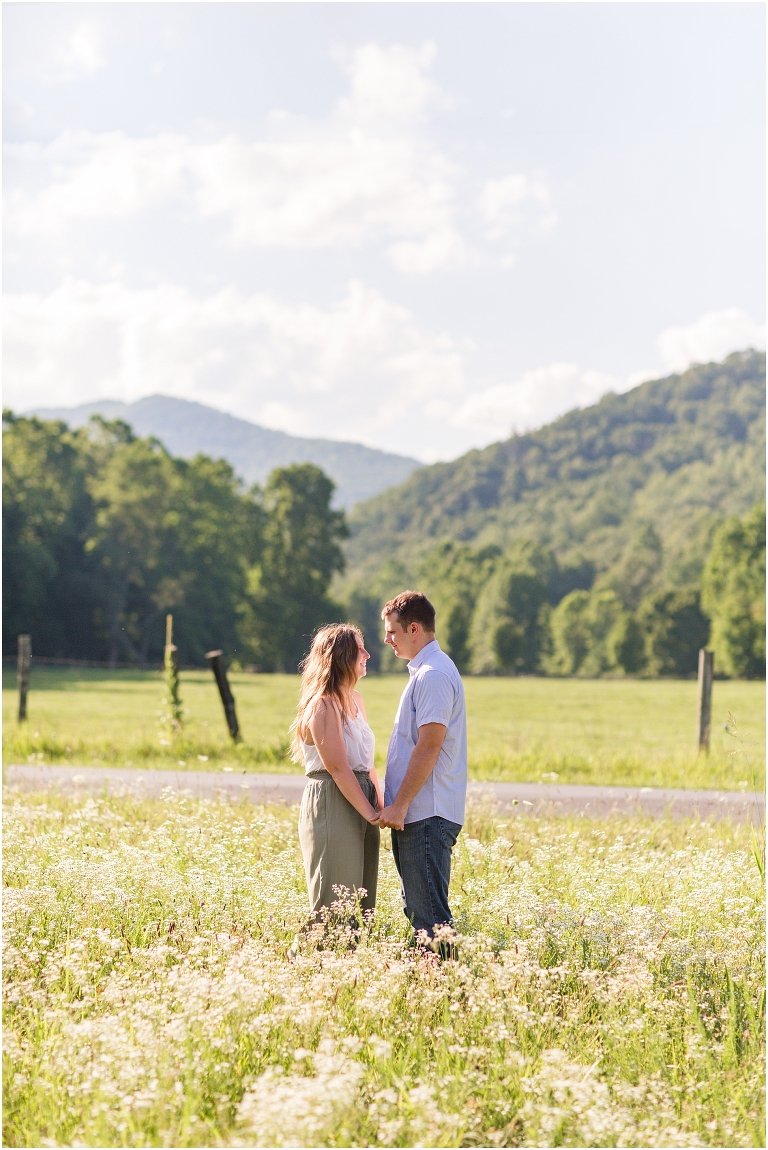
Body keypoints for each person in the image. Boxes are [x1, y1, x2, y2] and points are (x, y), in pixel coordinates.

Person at [377, 591, 467, 954]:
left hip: (425, 813)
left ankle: (450, 995)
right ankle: (432, 992)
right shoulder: (426, 671)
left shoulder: (432, 674)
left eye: (392, 632)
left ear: (414, 628)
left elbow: (430, 744)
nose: (387, 640)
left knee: (430, 920)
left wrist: (399, 805)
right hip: (419, 812)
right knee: (420, 915)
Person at [290, 623, 382, 925]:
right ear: (341, 656)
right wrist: (369, 812)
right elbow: (338, 767)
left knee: (361, 900)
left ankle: (349, 964)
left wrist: (379, 804)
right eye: (360, 649)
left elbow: (366, 762)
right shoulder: (322, 705)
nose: (367, 654)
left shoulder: (357, 701)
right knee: (334, 900)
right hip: (333, 796)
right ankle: (306, 960)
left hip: (361, 795)